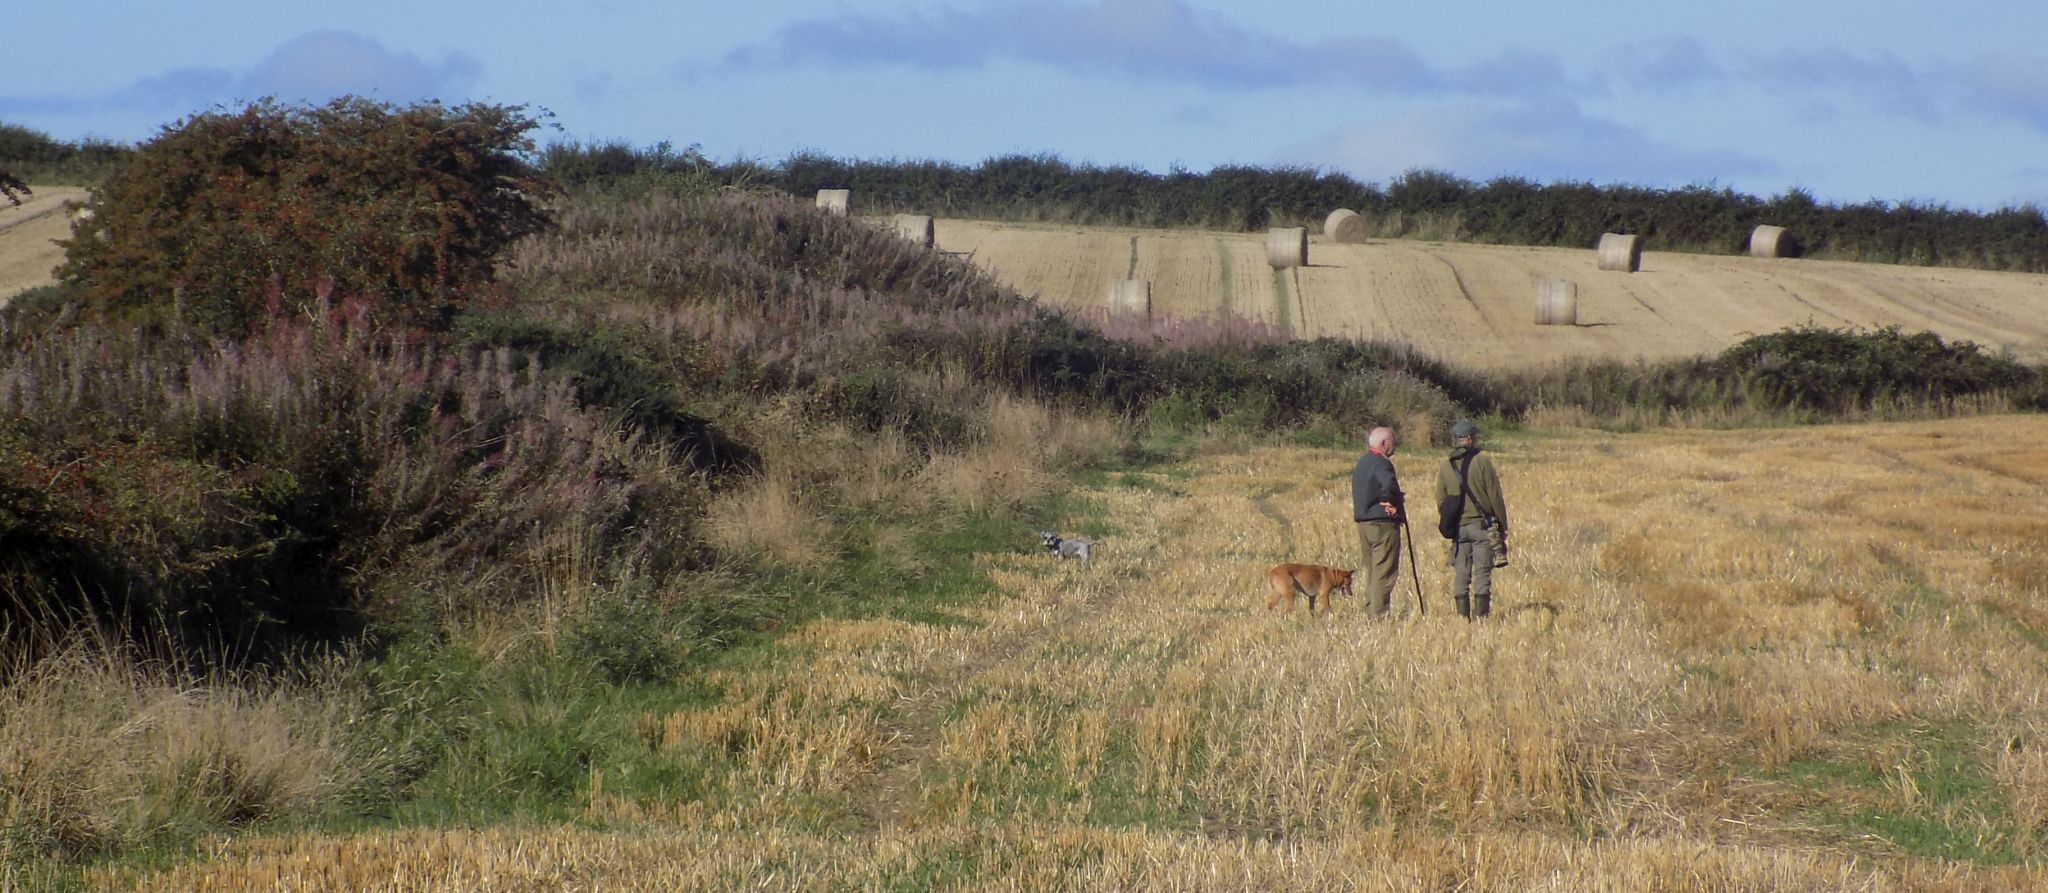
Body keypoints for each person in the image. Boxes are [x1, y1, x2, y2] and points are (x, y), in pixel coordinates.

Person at [1434, 419, 1509, 619]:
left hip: (1459, 529)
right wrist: (1502, 525)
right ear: (1468, 439)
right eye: (1474, 437)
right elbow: (1495, 496)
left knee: (1461, 574)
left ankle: (1462, 618)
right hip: (1481, 526)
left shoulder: (1445, 465)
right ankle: (1481, 618)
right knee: (1482, 573)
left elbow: (1441, 500)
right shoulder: (1482, 460)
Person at [1350, 426, 1405, 618]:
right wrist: (1392, 501)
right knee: (1384, 573)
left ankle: (1370, 611)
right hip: (1382, 525)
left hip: (1364, 524)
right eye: (1392, 442)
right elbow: (1388, 485)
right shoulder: (1382, 463)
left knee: (1373, 571)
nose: (1394, 446)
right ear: (1383, 444)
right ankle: (1379, 616)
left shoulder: (1362, 462)